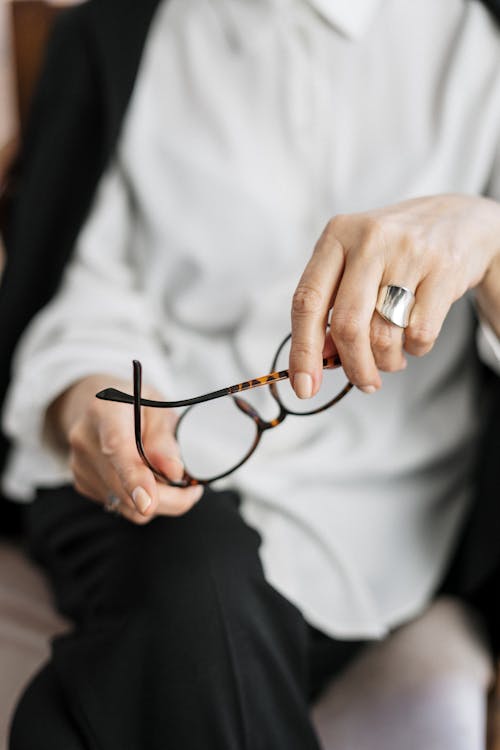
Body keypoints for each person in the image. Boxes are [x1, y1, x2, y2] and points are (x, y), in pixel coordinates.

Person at [1, 0, 500, 748]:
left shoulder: (478, 46)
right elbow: (88, 302)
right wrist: (91, 402)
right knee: (194, 564)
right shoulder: (121, 34)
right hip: (135, 496)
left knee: (92, 698)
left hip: (377, 534)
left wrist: (488, 244)